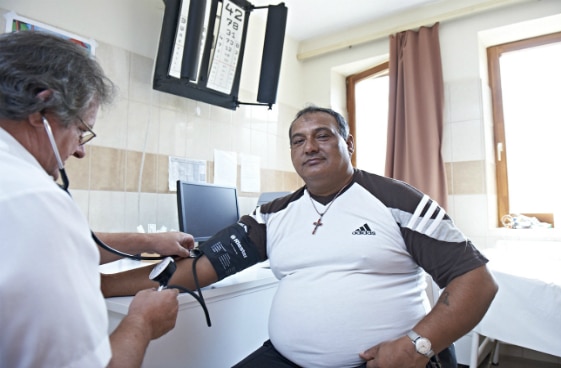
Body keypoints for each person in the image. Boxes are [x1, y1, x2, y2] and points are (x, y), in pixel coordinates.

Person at [102, 105, 498, 368]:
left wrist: (418, 344)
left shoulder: (398, 201)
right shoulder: (272, 215)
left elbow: (477, 282)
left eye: (323, 135)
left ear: (348, 145)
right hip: (284, 359)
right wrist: (100, 285)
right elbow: (196, 268)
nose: (309, 146)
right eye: (298, 140)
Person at [0, 30, 189, 368]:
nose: (80, 150)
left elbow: (51, 244)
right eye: (81, 130)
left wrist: (147, 240)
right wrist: (142, 322)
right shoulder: (35, 200)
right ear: (41, 109)